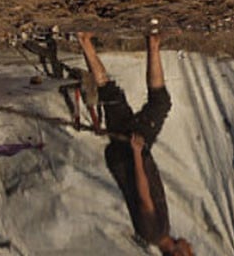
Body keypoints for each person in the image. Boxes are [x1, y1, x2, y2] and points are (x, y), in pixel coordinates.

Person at [77, 30, 194, 256]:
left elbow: (143, 195)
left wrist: (137, 153)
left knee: (132, 100)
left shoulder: (154, 232)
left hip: (129, 156)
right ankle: (152, 43)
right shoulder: (157, 233)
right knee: (149, 102)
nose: (191, 248)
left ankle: (88, 41)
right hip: (129, 156)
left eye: (191, 253)